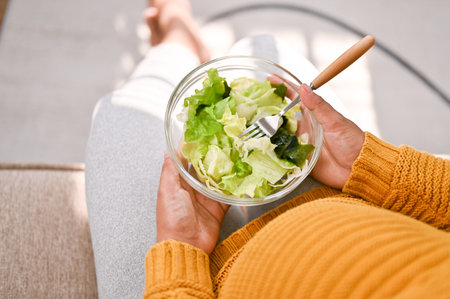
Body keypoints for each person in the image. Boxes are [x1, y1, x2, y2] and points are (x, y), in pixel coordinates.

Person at [85, 0, 450, 298]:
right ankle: (182, 40)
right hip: (344, 201)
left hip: (213, 277)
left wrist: (183, 252)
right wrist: (367, 165)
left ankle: (176, 41)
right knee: (259, 47)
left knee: (118, 111)